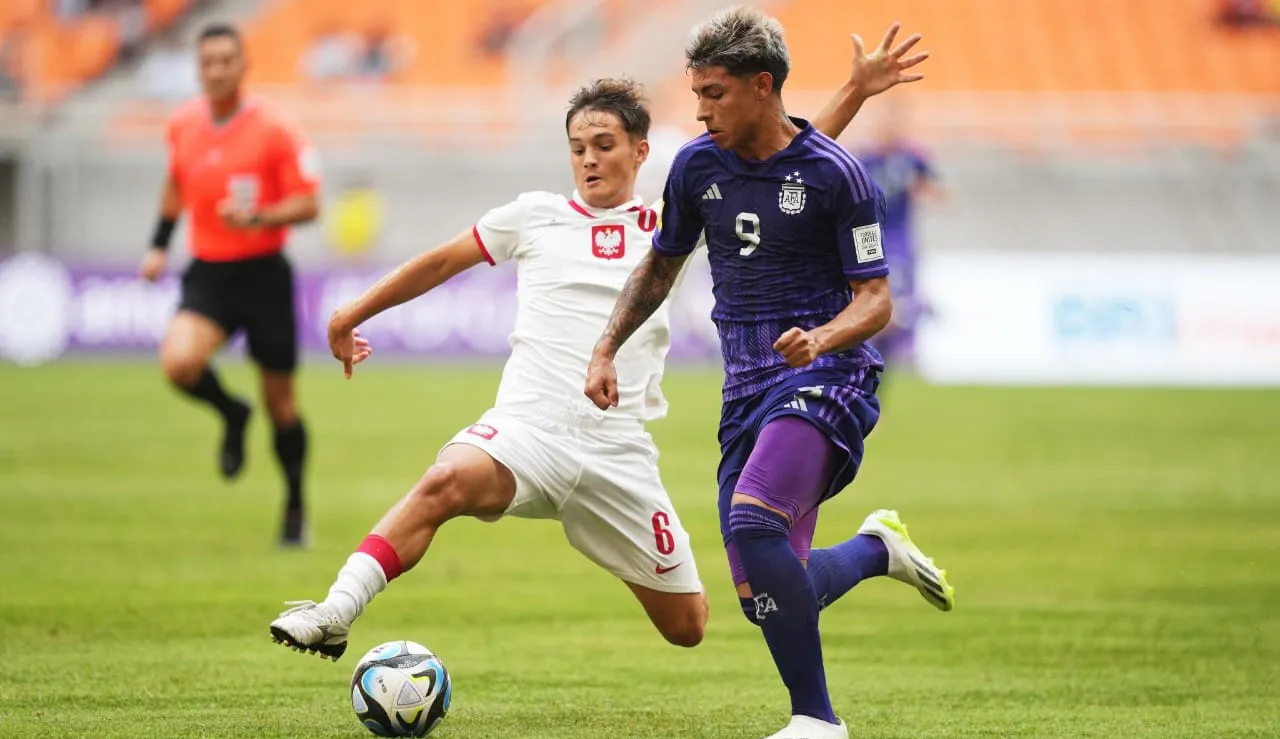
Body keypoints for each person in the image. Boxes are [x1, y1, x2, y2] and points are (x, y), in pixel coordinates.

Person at [267, 24, 929, 662]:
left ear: (641, 152)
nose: (589, 158)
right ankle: (335, 609)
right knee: (444, 481)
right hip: (528, 431)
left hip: (619, 453)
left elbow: (781, 164)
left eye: (605, 144)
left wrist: (855, 90)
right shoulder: (532, 216)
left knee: (692, 625)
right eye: (578, 146)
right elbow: (440, 263)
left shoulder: (673, 216)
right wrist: (352, 311)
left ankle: (874, 547)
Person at [584, 9, 951, 739]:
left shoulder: (842, 178)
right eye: (697, 93)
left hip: (830, 375)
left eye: (714, 93)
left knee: (754, 519)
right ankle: (878, 549)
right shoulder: (697, 166)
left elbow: (877, 299)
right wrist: (605, 348)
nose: (700, 109)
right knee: (766, 594)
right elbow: (661, 264)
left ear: (760, 87)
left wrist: (821, 338)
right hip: (747, 385)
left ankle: (818, 722)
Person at [139, 23, 322, 547]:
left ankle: (293, 507)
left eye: (226, 60)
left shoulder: (275, 128)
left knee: (282, 405)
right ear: (198, 69)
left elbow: (310, 202)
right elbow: (175, 184)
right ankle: (230, 411)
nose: (216, 70)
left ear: (244, 65)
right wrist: (158, 244)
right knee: (178, 363)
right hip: (211, 272)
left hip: (264, 273)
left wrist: (260, 217)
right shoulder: (182, 125)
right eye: (207, 62)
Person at [856, 100, 942, 374]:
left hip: (901, 240)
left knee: (899, 298)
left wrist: (922, 190)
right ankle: (874, 350)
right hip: (871, 239)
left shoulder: (912, 158)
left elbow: (936, 191)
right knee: (874, 298)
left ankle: (903, 348)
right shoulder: (864, 159)